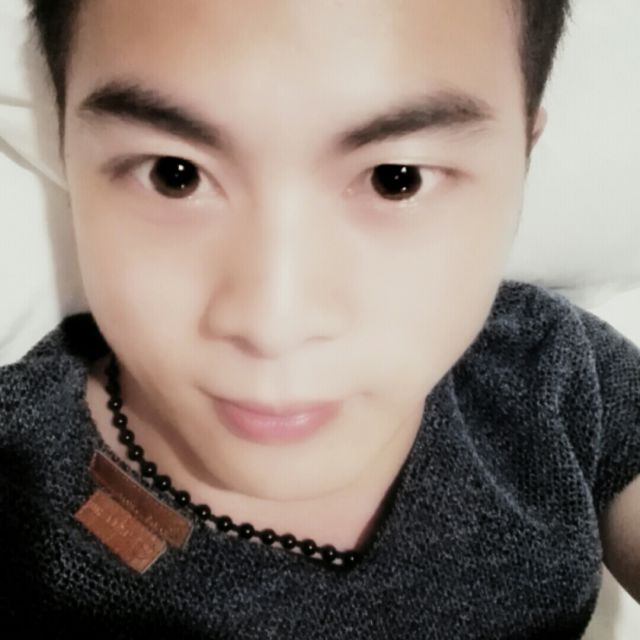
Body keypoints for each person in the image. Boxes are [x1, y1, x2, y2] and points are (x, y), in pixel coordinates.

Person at [1, 0, 639, 637]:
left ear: (523, 160)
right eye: (176, 176)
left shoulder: (550, 371)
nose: (273, 326)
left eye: (396, 179)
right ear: (67, 151)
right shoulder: (19, 477)